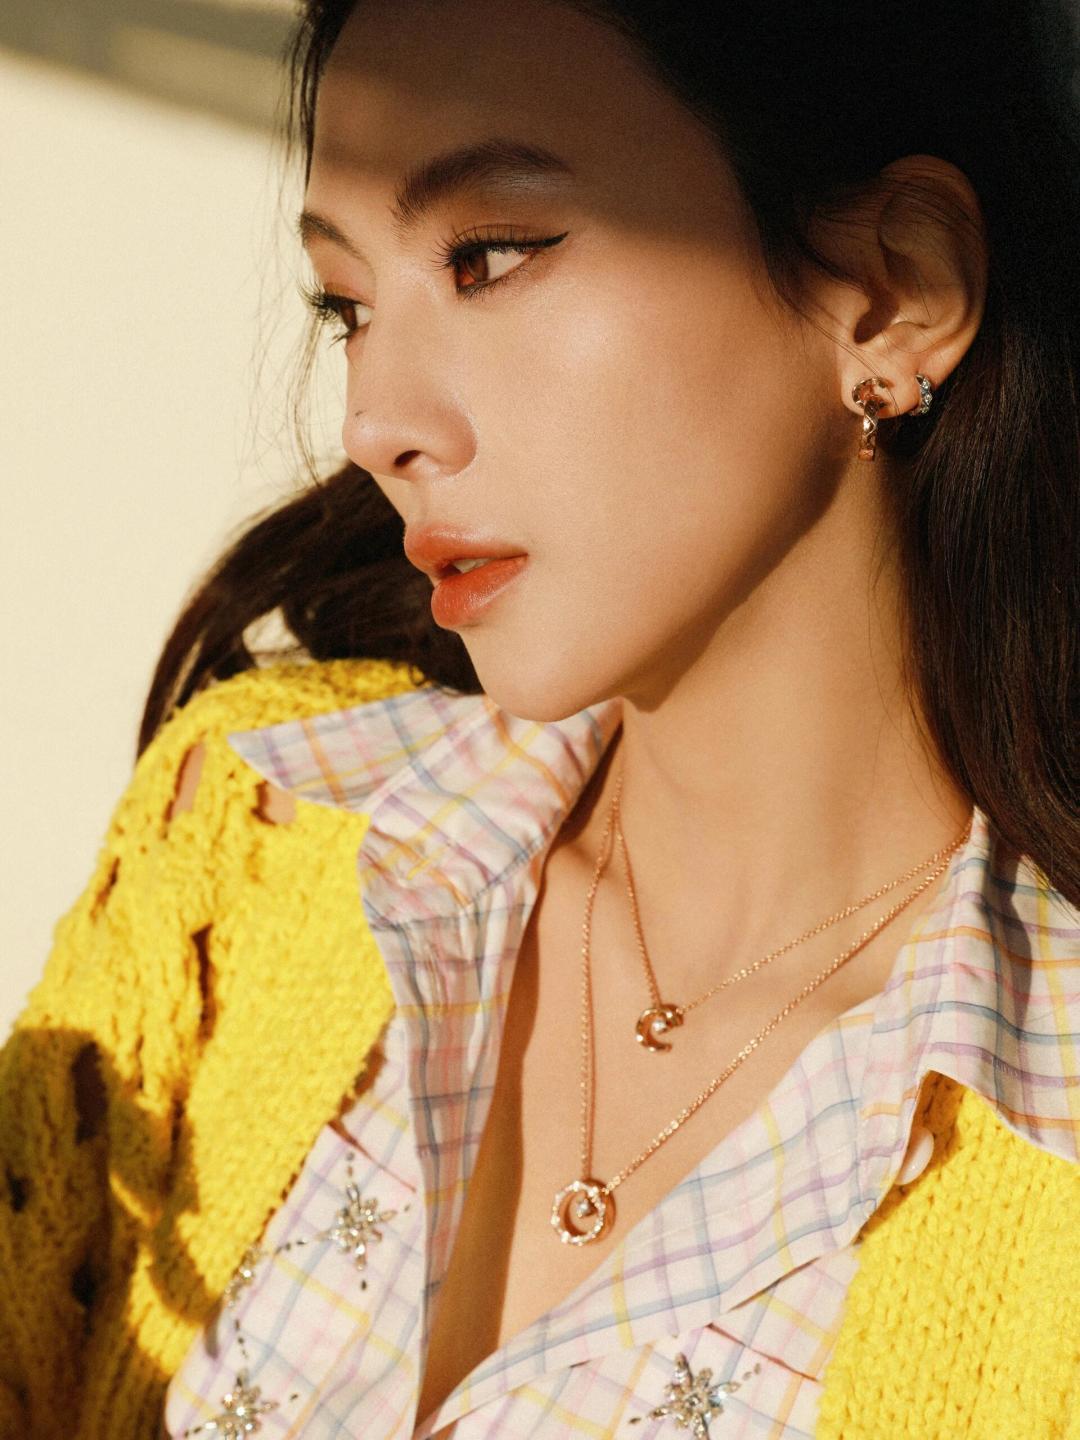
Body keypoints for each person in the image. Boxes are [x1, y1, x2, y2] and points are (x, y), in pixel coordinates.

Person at [3, 0, 1078, 1436]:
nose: (375, 420)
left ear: (892, 293)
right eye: (348, 307)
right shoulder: (251, 833)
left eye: (492, 255)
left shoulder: (1045, 1156)